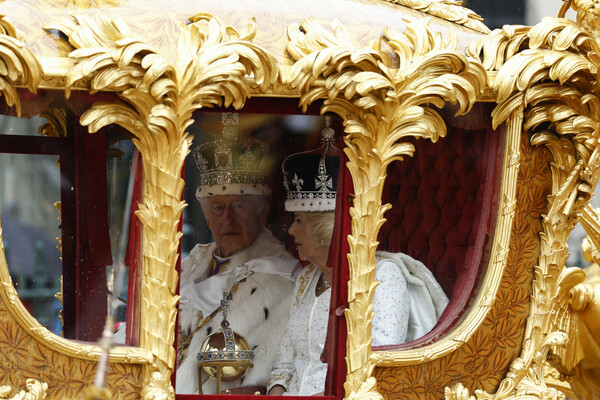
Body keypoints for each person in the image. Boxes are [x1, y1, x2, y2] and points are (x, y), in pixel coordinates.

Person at [267, 125, 449, 396]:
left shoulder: (381, 276)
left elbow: (380, 366)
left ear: (325, 228)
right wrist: (277, 391)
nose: (291, 231)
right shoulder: (306, 279)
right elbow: (285, 361)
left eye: (299, 220)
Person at [176, 114, 299, 395]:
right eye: (218, 208)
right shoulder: (192, 264)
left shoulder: (282, 279)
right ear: (207, 217)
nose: (228, 219)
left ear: (262, 213)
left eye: (239, 207)